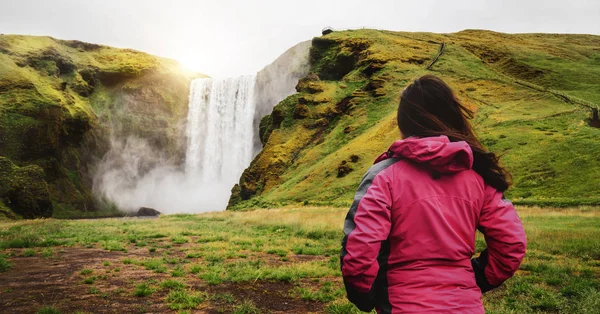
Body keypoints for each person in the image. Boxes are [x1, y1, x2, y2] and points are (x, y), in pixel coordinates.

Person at [340, 75, 527, 313]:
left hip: (402, 305)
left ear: (404, 122)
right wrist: (476, 277)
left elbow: (359, 249)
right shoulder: (479, 177)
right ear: (452, 117)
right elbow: (511, 245)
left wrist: (366, 296)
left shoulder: (383, 176)